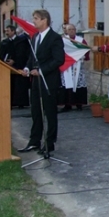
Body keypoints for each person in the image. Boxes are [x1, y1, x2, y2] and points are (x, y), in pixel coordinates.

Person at [17, 10, 65, 154]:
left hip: (49, 81)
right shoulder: (35, 37)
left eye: (36, 18)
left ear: (44, 20)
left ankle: (49, 143)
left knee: (50, 113)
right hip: (36, 82)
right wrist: (27, 68)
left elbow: (59, 59)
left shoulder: (55, 38)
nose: (34, 21)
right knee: (36, 111)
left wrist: (41, 70)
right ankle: (34, 141)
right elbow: (32, 57)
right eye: (34, 18)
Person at [59, 24, 90, 112]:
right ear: (66, 31)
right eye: (69, 29)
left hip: (78, 64)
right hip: (67, 65)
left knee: (78, 83)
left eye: (73, 29)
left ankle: (79, 104)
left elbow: (86, 50)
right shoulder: (63, 40)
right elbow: (60, 51)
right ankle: (67, 104)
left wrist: (83, 56)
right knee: (67, 84)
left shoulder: (81, 40)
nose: (72, 31)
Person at [11, 28, 32, 108]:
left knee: (20, 85)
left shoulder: (21, 41)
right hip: (22, 64)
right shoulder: (25, 40)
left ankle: (19, 102)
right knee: (21, 85)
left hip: (19, 65)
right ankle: (21, 102)